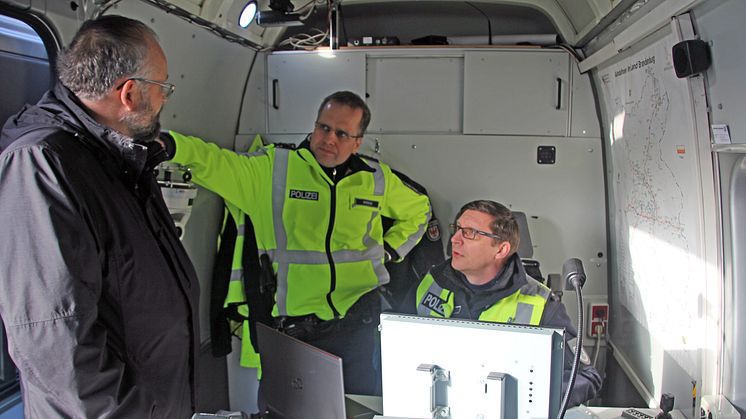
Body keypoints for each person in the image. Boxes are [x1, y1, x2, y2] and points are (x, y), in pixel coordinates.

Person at [159, 91, 432, 395]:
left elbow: (419, 210)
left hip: (359, 324)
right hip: (296, 331)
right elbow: (214, 162)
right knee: (286, 409)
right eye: (323, 127)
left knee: (360, 408)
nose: (329, 139)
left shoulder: (375, 179)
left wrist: (390, 250)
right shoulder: (274, 169)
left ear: (357, 142)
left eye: (342, 133)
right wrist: (171, 145)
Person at [0, 16, 199, 418]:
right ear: (129, 93)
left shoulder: (115, 158)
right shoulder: (42, 165)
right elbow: (56, 345)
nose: (164, 100)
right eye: (162, 88)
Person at [413, 200, 602, 406]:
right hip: (433, 405)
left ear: (501, 250)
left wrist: (529, 400)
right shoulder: (431, 282)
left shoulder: (541, 303)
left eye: (470, 233)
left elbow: (586, 377)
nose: (455, 240)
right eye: (457, 229)